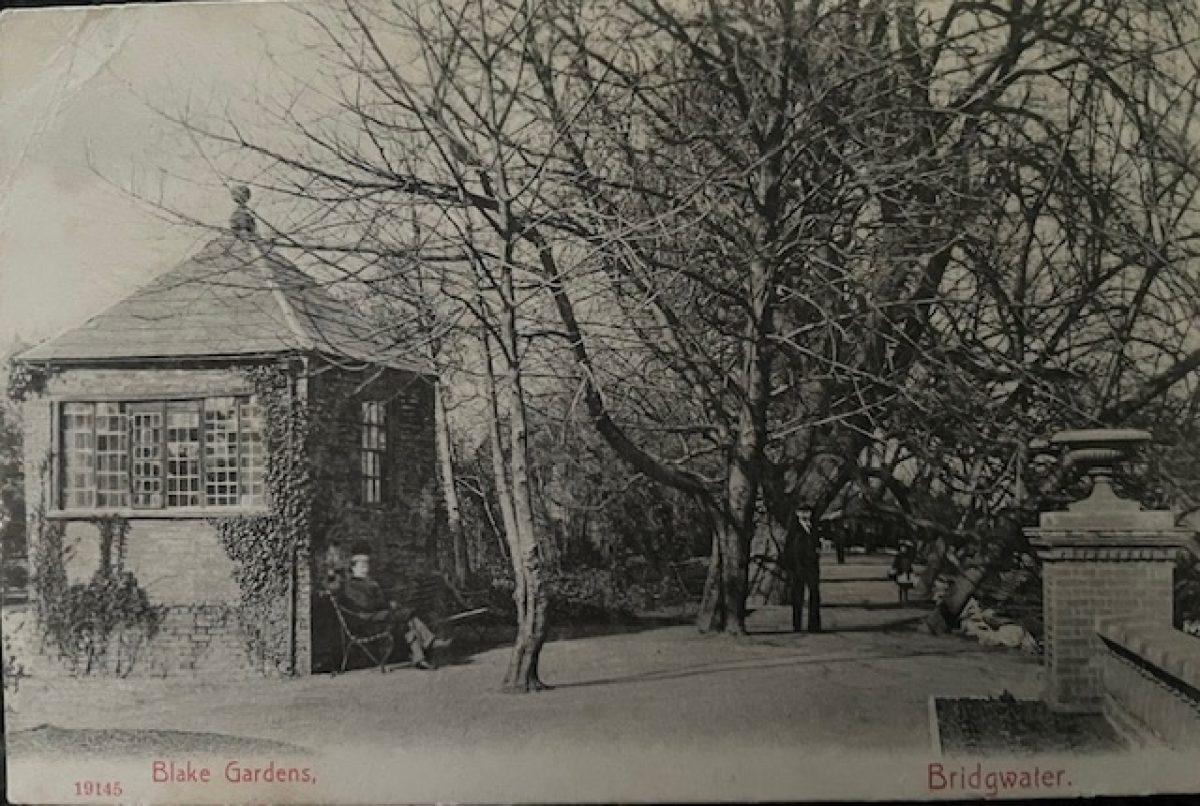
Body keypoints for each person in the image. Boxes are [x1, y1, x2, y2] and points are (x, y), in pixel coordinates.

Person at [336, 543, 449, 670]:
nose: (365, 569)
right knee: (406, 616)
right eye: (362, 566)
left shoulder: (367, 583)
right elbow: (366, 605)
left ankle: (420, 657)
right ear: (353, 568)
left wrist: (388, 603)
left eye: (367, 565)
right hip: (367, 622)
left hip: (377, 617)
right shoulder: (352, 586)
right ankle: (429, 642)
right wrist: (385, 604)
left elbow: (377, 602)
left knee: (407, 620)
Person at [891, 539, 916, 606]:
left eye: (905, 547)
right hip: (900, 573)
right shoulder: (898, 556)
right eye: (902, 547)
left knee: (906, 588)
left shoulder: (909, 557)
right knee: (901, 587)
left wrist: (911, 572)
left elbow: (910, 565)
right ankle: (901, 600)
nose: (903, 549)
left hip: (907, 574)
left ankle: (906, 599)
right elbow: (895, 564)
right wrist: (894, 569)